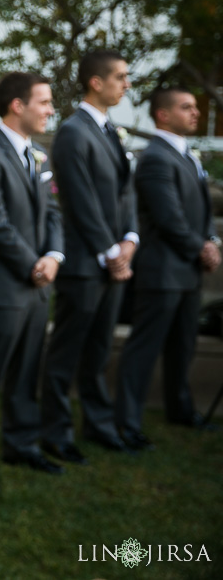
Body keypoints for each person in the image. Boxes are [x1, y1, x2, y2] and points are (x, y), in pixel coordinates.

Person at [0, 72, 66, 495]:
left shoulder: (39, 156)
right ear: (17, 106)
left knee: (26, 371)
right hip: (2, 287)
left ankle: (20, 443)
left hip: (38, 287)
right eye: (43, 102)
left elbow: (53, 212)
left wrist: (54, 256)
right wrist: (33, 264)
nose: (50, 110)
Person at [40, 50, 137, 464]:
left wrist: (130, 239)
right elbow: (79, 201)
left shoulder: (111, 131)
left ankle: (99, 424)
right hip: (84, 263)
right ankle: (54, 432)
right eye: (120, 77)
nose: (126, 84)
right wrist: (111, 250)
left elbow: (126, 191)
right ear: (95, 82)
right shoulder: (73, 133)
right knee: (67, 352)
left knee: (99, 351)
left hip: (115, 259)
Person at [115, 87, 220, 447]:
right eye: (186, 107)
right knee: (144, 348)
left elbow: (200, 211)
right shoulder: (156, 158)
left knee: (183, 346)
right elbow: (168, 217)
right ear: (163, 115)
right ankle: (127, 423)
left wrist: (211, 242)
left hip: (188, 271)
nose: (195, 113)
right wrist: (202, 248)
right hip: (162, 270)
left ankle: (180, 408)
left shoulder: (188, 154)